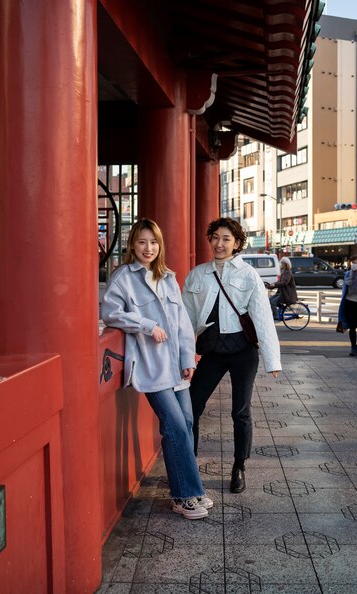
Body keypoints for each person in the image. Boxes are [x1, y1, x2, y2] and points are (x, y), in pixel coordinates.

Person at [101, 218, 212, 520]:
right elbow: (110, 313)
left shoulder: (168, 278)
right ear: (132, 245)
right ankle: (185, 495)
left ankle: (188, 488)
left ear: (160, 245)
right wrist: (147, 326)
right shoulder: (123, 277)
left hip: (176, 366)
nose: (148, 248)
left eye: (153, 242)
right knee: (174, 426)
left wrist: (188, 358)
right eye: (142, 242)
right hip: (151, 367)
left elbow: (182, 324)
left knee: (186, 423)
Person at [182, 217, 281, 494]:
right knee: (192, 405)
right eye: (215, 237)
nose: (219, 243)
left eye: (226, 239)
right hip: (212, 352)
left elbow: (262, 318)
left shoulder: (248, 274)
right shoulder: (197, 275)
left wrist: (273, 360)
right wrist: (183, 356)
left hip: (243, 353)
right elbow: (185, 320)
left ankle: (239, 466)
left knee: (240, 411)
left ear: (237, 243)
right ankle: (189, 463)